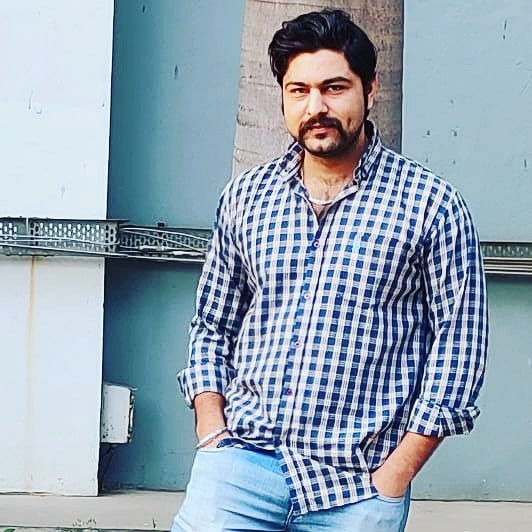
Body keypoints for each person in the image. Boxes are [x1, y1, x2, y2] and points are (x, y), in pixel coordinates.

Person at [172, 8, 488, 532]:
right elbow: (212, 324)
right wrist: (212, 431)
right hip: (238, 470)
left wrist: (396, 475)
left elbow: (459, 348)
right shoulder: (247, 198)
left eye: (334, 88)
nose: (315, 107)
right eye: (298, 90)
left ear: (370, 89)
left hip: (358, 486)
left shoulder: (430, 205)